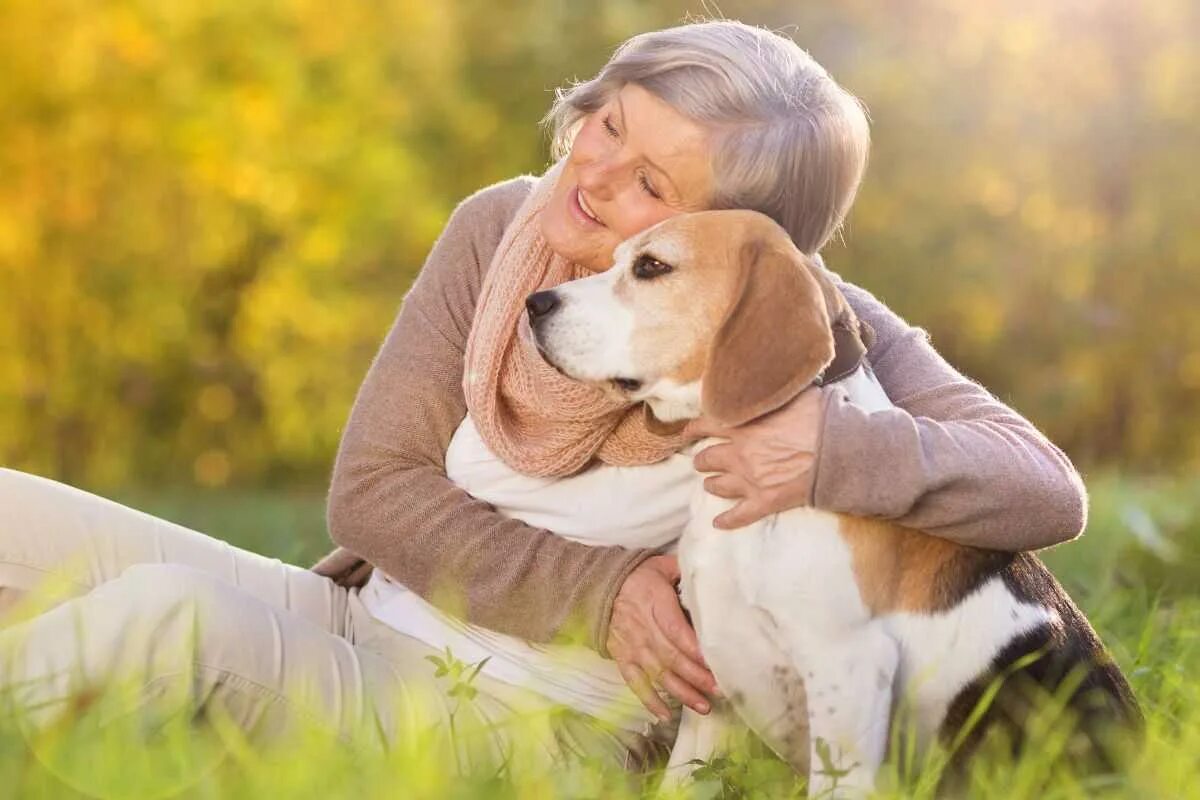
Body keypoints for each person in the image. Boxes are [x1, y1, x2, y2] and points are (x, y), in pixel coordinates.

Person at [0, 19, 1086, 776]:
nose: (593, 174)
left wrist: (829, 448)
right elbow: (372, 493)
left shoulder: (793, 320)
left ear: (736, 240)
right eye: (610, 122)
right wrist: (601, 587)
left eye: (654, 187)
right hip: (358, 610)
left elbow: (1046, 490)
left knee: (161, 621)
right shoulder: (499, 227)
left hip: (521, 723)